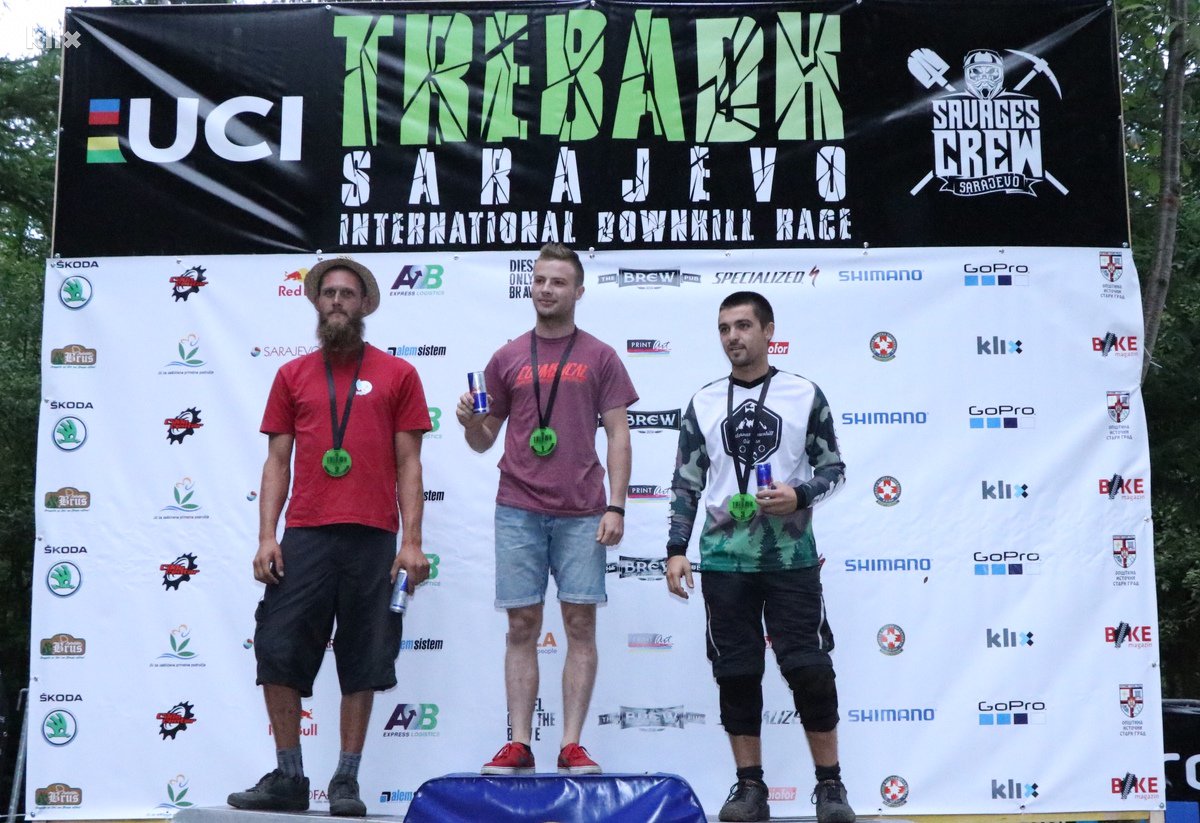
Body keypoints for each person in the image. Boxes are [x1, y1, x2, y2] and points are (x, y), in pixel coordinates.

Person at [228, 258, 432, 816]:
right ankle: (289, 777)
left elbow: (410, 464)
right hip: (306, 534)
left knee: (364, 656)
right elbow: (276, 462)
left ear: (365, 304)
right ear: (317, 303)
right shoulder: (292, 375)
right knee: (277, 647)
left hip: (373, 537)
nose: (337, 301)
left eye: (347, 293)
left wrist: (412, 542)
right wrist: (266, 536)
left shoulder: (398, 374)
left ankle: (346, 780)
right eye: (329, 293)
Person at [664, 291, 854, 823]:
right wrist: (676, 549)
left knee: (810, 670)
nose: (733, 337)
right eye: (724, 328)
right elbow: (686, 483)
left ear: (769, 331)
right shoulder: (704, 401)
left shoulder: (803, 393)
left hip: (791, 557)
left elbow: (834, 468)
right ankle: (750, 788)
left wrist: (801, 494)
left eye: (744, 325)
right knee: (736, 673)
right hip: (724, 560)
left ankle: (830, 786)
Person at [456, 243, 636, 776]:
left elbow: (619, 436)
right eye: (539, 280)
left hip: (583, 510)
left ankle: (571, 744)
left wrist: (617, 505)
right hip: (518, 507)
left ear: (578, 290)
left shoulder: (601, 356)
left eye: (558, 281)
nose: (546, 289)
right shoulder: (507, 357)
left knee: (579, 623)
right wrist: (470, 422)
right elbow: (483, 441)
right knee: (521, 624)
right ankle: (518, 742)